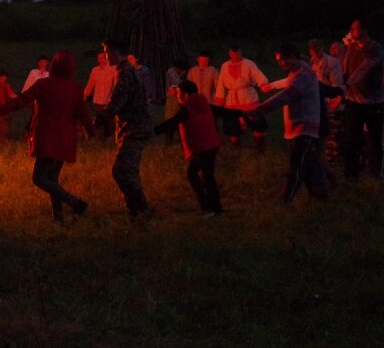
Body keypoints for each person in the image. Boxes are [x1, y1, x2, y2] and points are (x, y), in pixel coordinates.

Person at [0, 51, 93, 223]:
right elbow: (83, 114)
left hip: (47, 137)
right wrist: (91, 131)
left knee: (39, 178)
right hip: (66, 139)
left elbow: (21, 101)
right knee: (52, 179)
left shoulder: (44, 84)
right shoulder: (75, 88)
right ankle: (58, 218)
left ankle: (75, 203)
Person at [246, 44, 329, 202]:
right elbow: (285, 88)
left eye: (282, 59)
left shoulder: (302, 75)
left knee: (296, 165)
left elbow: (287, 95)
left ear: (292, 56)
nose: (280, 63)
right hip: (299, 127)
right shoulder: (296, 73)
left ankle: (285, 199)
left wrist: (261, 109)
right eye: (278, 60)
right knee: (309, 163)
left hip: (304, 127)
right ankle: (320, 196)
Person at [95, 39, 156, 220]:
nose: (105, 57)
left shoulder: (125, 73)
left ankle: (143, 208)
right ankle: (134, 212)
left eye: (107, 52)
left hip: (134, 128)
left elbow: (117, 102)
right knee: (128, 171)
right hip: (129, 128)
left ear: (116, 52)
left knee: (120, 170)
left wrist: (97, 121)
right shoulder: (124, 71)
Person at [154, 79, 222, 216]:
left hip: (201, 146)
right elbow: (222, 111)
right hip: (212, 144)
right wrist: (242, 113)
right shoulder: (203, 102)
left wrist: (151, 132)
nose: (177, 96)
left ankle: (207, 208)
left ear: (185, 94)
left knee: (192, 174)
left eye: (178, 93)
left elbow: (173, 122)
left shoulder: (187, 107)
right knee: (208, 176)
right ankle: (216, 208)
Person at [341, 20, 384, 178]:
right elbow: (345, 67)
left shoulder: (375, 48)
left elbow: (364, 68)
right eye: (351, 27)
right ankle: (351, 174)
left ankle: (376, 173)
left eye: (354, 28)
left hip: (373, 102)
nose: (351, 30)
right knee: (351, 138)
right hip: (353, 102)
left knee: (375, 140)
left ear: (365, 30)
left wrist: (347, 83)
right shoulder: (352, 47)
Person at [214, 44, 270, 149]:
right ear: (229, 53)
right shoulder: (225, 65)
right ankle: (237, 149)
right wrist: (220, 99)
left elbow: (257, 74)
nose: (235, 55)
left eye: (237, 53)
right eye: (233, 53)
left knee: (257, 123)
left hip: (248, 96)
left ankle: (259, 148)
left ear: (241, 52)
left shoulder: (249, 64)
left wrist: (263, 84)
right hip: (231, 100)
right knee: (232, 126)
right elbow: (221, 82)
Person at [308, 39, 345, 162]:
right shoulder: (313, 62)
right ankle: (323, 156)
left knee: (333, 131)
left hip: (331, 100)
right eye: (313, 50)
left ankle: (333, 157)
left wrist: (336, 101)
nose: (316, 52)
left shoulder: (331, 62)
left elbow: (337, 85)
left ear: (322, 48)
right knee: (322, 131)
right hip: (318, 101)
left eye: (318, 49)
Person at [83, 51, 117, 137]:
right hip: (98, 100)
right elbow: (90, 84)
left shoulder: (113, 69)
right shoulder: (95, 70)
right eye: (100, 58)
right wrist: (84, 95)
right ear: (98, 60)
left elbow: (116, 84)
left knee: (110, 120)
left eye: (104, 58)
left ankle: (109, 137)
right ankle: (96, 137)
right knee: (99, 119)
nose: (102, 60)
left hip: (109, 100)